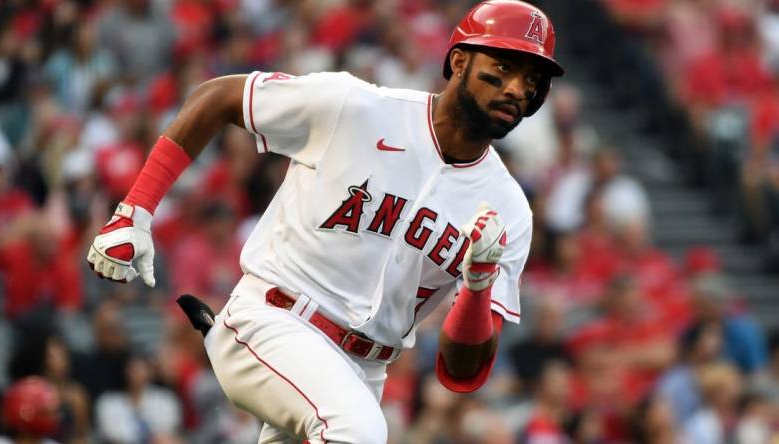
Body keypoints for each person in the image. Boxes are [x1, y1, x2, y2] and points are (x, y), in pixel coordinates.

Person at [86, 1, 565, 442]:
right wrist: (134, 210)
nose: (516, 89)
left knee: (356, 423)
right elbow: (219, 97)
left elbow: (461, 372)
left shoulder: (508, 209)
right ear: (459, 61)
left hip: (364, 373)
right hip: (273, 320)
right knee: (358, 432)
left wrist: (479, 283)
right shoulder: (356, 107)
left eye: (532, 81)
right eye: (503, 67)